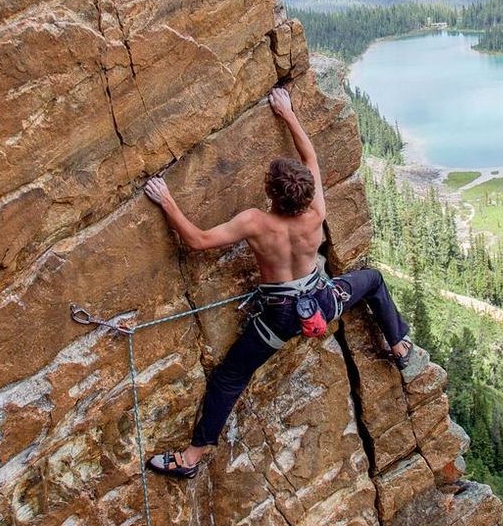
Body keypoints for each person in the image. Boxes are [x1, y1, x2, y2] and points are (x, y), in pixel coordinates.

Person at [143, 86, 414, 479]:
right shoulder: (315, 213)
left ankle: (191, 458)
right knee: (372, 281)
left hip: (279, 321)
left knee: (230, 376)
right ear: (305, 194)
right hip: (324, 302)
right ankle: (398, 343)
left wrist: (166, 199)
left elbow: (198, 241)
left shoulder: (255, 222)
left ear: (270, 194)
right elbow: (311, 157)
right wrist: (287, 113)